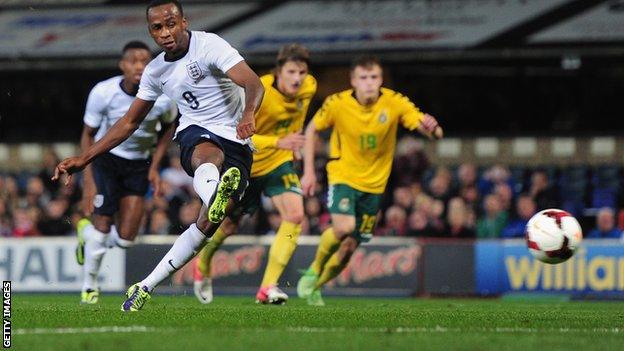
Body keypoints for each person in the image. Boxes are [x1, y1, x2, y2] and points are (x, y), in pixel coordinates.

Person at [53, 0, 264, 312]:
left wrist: (248, 114)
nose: (165, 32)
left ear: (183, 22)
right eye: (157, 27)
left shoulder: (209, 45)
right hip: (197, 131)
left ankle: (146, 285)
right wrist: (85, 158)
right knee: (208, 158)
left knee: (208, 224)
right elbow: (129, 122)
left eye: (171, 24)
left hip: (238, 137)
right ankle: (216, 192)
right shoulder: (155, 71)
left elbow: (252, 82)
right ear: (151, 32)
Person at [296, 55, 442, 306]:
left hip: (374, 186)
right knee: (342, 228)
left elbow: (431, 131)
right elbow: (311, 130)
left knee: (349, 248)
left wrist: (433, 127)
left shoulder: (394, 102)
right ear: (353, 80)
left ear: (380, 79)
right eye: (363, 78)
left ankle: (315, 288)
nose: (369, 83)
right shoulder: (337, 103)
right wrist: (308, 171)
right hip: (342, 175)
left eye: (374, 77)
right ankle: (313, 270)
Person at [193, 44, 316, 305]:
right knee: (227, 226)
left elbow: (297, 118)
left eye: (302, 71)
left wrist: (294, 147)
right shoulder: (260, 92)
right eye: (292, 72)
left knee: (295, 215)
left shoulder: (309, 87)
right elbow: (239, 132)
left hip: (278, 164)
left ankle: (267, 288)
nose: (298, 78)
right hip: (248, 162)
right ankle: (203, 263)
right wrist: (278, 141)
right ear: (279, 71)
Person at [73, 40, 176, 305]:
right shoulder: (103, 92)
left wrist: (154, 166)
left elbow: (168, 129)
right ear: (123, 65)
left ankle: (86, 235)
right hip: (107, 160)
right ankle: (89, 287)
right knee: (104, 226)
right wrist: (89, 180)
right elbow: (88, 134)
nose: (139, 66)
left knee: (126, 239)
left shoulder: (164, 97)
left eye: (145, 60)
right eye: (133, 60)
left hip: (138, 164)